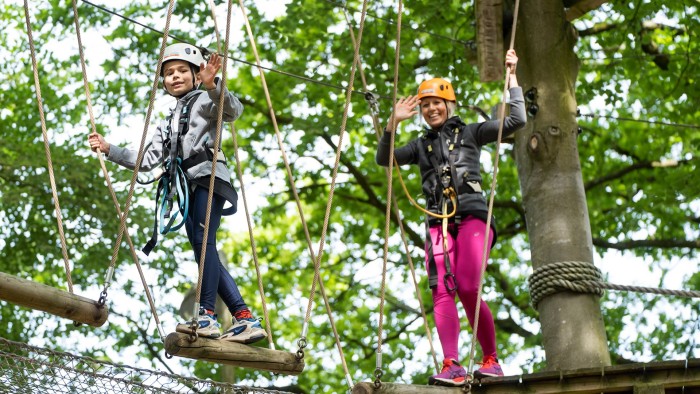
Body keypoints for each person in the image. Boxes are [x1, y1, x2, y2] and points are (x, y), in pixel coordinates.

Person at [88, 43, 266, 344]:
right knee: (202, 247)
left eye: (182, 70)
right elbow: (145, 160)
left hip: (208, 178)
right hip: (188, 186)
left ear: (197, 76)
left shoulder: (205, 102)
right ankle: (244, 317)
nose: (175, 77)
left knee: (202, 241)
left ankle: (207, 314)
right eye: (169, 73)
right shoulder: (168, 120)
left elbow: (232, 109)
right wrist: (109, 150)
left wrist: (213, 85)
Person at [375, 49, 525, 386]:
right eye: (425, 105)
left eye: (436, 103)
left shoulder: (471, 133)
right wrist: (392, 123)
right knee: (442, 290)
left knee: (469, 286)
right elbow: (385, 159)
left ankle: (491, 359)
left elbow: (517, 121)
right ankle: (451, 363)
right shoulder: (419, 145)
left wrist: (512, 78)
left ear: (449, 105)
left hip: (472, 216)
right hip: (437, 222)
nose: (431, 109)